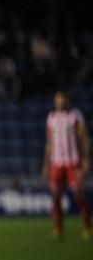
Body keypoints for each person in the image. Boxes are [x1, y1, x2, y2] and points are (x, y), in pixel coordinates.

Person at [43, 90, 91, 239]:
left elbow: (84, 138)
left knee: (78, 194)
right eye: (57, 99)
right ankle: (58, 229)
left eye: (62, 99)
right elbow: (49, 143)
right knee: (56, 195)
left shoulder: (75, 116)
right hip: (57, 163)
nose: (59, 102)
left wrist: (87, 159)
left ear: (67, 100)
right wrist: (46, 164)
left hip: (73, 162)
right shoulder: (51, 118)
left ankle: (88, 226)